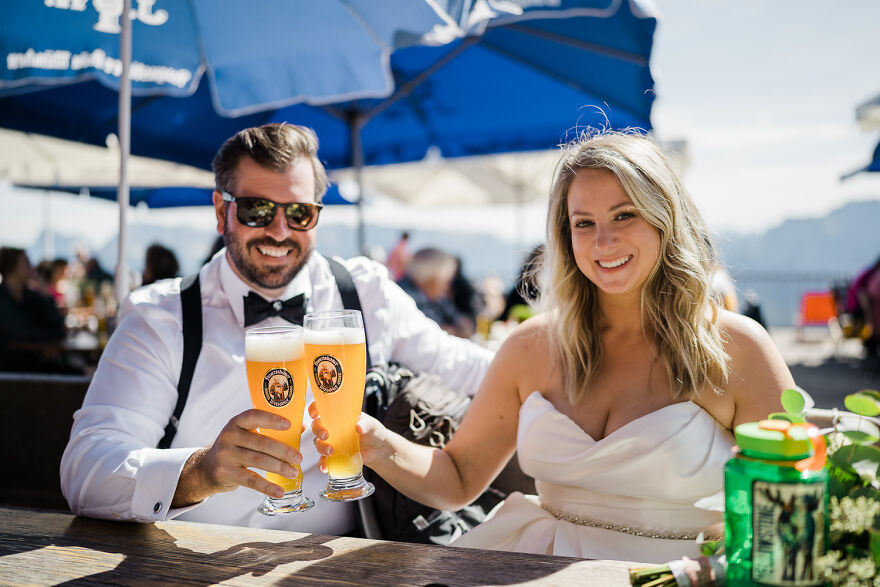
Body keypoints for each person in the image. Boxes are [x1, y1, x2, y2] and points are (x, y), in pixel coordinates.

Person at [312, 130, 794, 563]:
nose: (603, 241)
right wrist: (378, 444)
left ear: (664, 218)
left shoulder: (737, 348)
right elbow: (457, 477)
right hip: (532, 566)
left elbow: (792, 510)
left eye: (624, 215)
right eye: (583, 223)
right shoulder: (530, 348)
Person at [60, 123, 493, 536]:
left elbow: (476, 373)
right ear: (221, 212)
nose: (280, 231)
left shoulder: (364, 292)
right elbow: (86, 469)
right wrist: (201, 472)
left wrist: (535, 352)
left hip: (346, 561)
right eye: (257, 209)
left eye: (300, 213)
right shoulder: (162, 316)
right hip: (193, 562)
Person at [0, 247, 69, 373]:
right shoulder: (3, 299)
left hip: (34, 363)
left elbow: (58, 327)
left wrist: (47, 296)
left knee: (80, 373)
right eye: (26, 262)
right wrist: (48, 336)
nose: (31, 266)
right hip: (9, 371)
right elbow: (20, 334)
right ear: (12, 267)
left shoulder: (31, 297)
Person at [397, 248, 472, 338]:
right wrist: (453, 331)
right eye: (447, 281)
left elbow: (462, 322)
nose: (448, 287)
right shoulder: (404, 296)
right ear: (430, 277)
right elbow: (423, 334)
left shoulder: (437, 297)